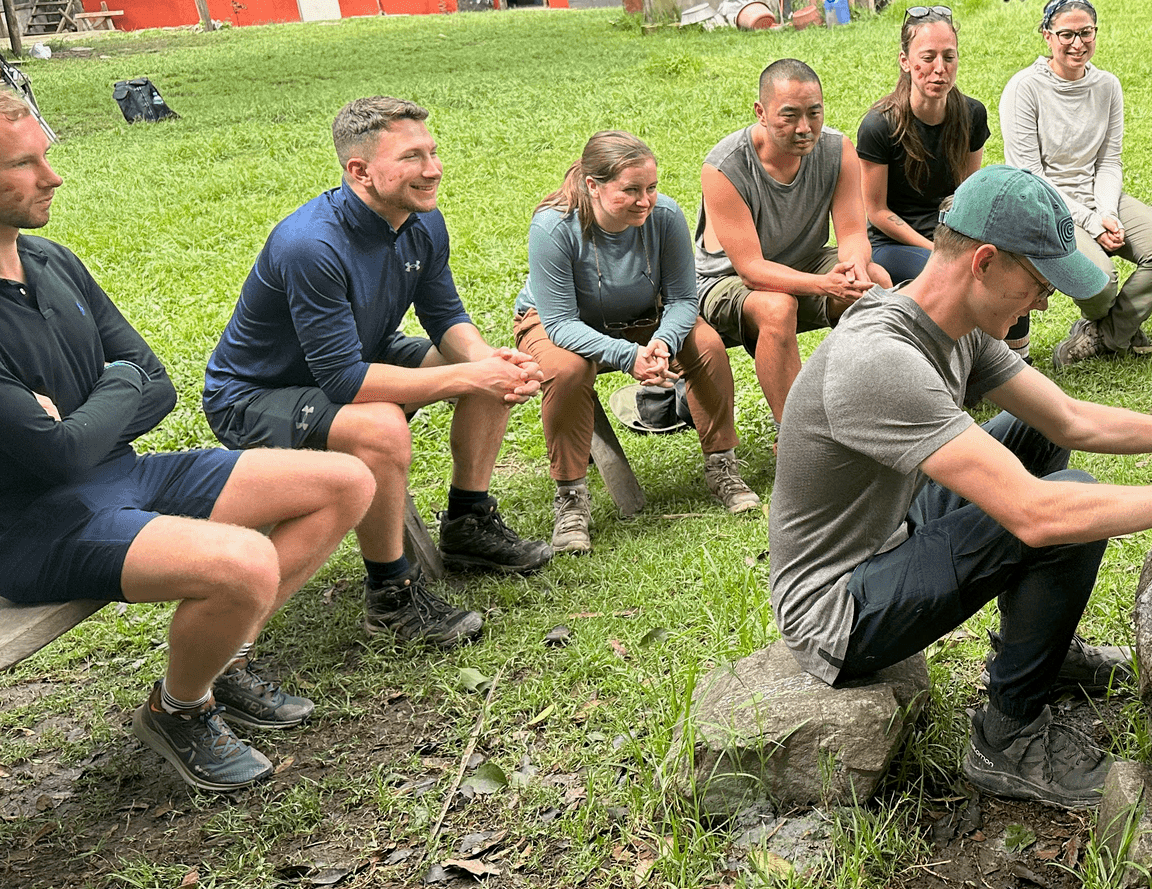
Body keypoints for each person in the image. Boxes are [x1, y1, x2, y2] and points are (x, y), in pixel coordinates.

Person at [768, 165, 1152, 810]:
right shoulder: (881, 361)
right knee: (1059, 504)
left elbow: (1071, 419)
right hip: (838, 611)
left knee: (1045, 442)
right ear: (985, 262)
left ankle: (1043, 645)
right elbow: (1035, 514)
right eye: (1040, 282)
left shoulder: (949, 324)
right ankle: (1008, 735)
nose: (1046, 303)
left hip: (895, 529)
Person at [0, 90, 374, 793]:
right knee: (245, 561)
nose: (53, 177)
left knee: (344, 483)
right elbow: (57, 457)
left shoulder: (51, 261)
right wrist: (111, 390)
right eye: (24, 164)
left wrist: (91, 404)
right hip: (32, 527)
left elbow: (156, 383)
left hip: (122, 476)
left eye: (46, 156)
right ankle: (180, 708)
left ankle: (222, 659)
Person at [203, 97, 552, 651]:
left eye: (432, 153)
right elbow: (346, 383)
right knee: (384, 424)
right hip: (256, 394)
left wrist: (484, 364)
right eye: (412, 156)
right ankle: (391, 596)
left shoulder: (421, 222)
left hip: (356, 359)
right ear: (359, 171)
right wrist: (466, 379)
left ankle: (467, 522)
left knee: (486, 366)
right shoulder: (309, 245)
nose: (433, 169)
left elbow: (445, 317)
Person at [515, 130, 759, 554]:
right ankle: (571, 499)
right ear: (593, 185)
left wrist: (662, 343)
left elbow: (684, 298)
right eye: (631, 190)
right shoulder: (553, 226)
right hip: (561, 322)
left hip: (645, 316)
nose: (646, 200)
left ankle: (722, 465)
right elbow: (559, 323)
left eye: (651, 187)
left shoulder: (664, 216)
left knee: (705, 345)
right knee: (566, 369)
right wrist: (629, 356)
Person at [694, 58, 891, 427]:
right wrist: (823, 285)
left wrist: (853, 269)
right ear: (761, 113)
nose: (805, 128)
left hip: (804, 262)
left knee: (876, 282)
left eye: (814, 113)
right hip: (726, 280)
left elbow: (852, 233)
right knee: (777, 308)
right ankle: (796, 435)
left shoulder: (837, 149)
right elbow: (751, 270)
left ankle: (869, 413)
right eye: (789, 116)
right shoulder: (724, 167)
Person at [1001, 0, 1152, 369]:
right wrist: (1089, 221)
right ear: (1047, 35)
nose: (1078, 43)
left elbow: (1109, 161)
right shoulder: (1024, 88)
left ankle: (1101, 335)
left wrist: (1107, 211)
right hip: (1045, 204)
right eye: (1066, 34)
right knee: (1101, 282)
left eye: (1087, 32)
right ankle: (1120, 330)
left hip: (1097, 198)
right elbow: (1030, 175)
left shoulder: (1107, 86)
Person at [856, 6, 1015, 352]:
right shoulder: (879, 126)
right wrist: (936, 249)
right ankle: (947, 367)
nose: (939, 69)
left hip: (950, 230)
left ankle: (1016, 358)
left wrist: (967, 243)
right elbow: (877, 212)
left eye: (949, 56)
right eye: (927, 57)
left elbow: (970, 193)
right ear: (905, 61)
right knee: (948, 277)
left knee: (1007, 266)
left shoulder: (971, 114)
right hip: (894, 242)